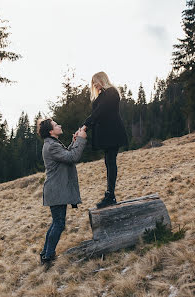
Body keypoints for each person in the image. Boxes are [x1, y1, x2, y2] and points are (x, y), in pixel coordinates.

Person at [37, 118, 87, 269]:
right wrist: (80, 140)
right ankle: (48, 256)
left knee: (56, 223)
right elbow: (72, 157)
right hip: (56, 190)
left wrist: (74, 142)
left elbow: (66, 155)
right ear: (51, 131)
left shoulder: (53, 144)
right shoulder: (52, 146)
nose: (60, 125)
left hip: (56, 190)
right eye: (56, 125)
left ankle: (46, 254)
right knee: (58, 224)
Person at [82, 71, 128, 209]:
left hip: (113, 133)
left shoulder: (111, 92)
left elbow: (99, 112)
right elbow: (97, 113)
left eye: (96, 81)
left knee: (111, 162)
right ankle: (110, 194)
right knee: (108, 162)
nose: (94, 84)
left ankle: (110, 195)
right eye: (93, 82)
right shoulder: (103, 95)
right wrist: (84, 127)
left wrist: (85, 126)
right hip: (108, 134)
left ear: (102, 79)